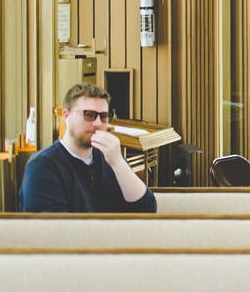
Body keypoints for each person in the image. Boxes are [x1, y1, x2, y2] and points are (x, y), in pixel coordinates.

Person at [19, 83, 157, 213]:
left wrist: (118, 162)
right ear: (66, 116)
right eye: (89, 115)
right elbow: (52, 230)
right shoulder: (43, 166)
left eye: (103, 116)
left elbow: (147, 210)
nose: (97, 123)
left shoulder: (109, 158)